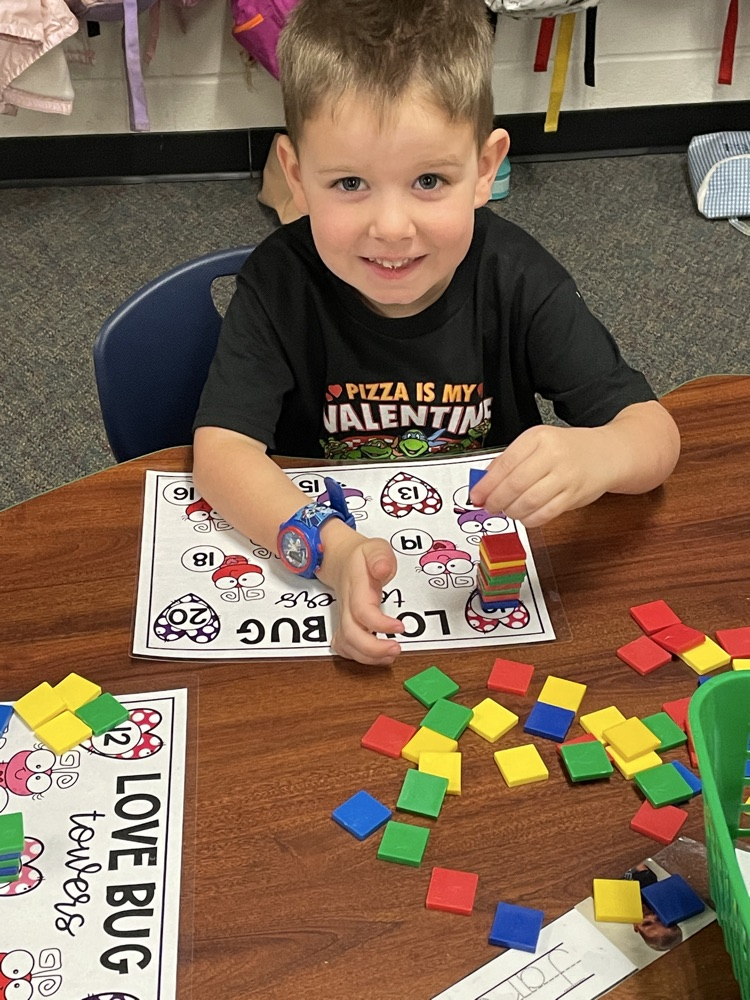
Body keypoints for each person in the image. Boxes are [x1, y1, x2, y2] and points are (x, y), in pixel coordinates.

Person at [192, 0, 680, 666]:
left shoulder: (517, 277)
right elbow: (221, 456)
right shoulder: (279, 283)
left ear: (484, 169)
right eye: (350, 183)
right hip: (342, 597)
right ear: (297, 175)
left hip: (490, 607)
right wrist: (333, 555)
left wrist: (597, 455)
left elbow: (655, 436)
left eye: (429, 180)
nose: (391, 227)